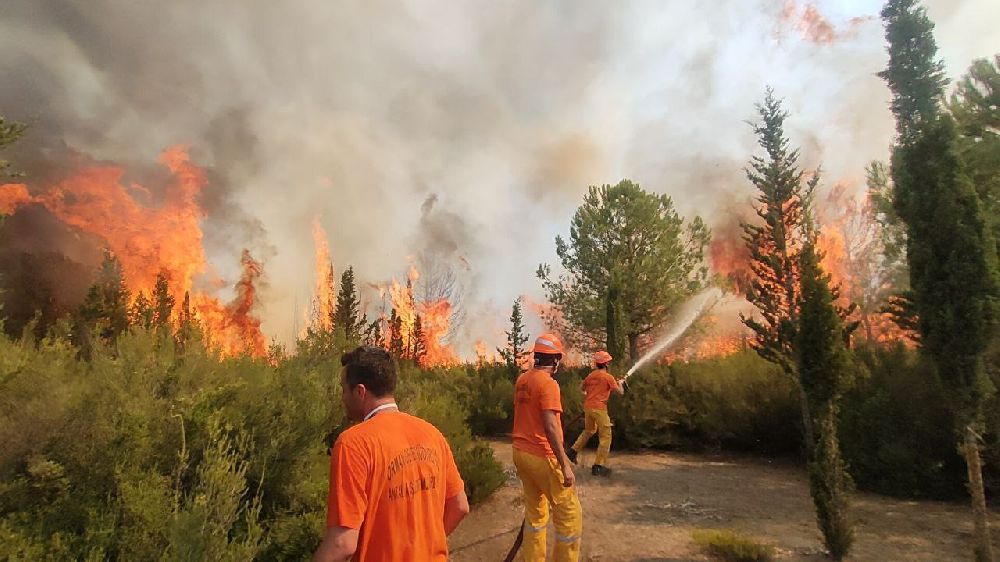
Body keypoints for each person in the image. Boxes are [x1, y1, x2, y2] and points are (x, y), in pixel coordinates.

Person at [314, 346, 470, 562]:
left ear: (360, 392)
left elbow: (343, 543)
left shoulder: (354, 444)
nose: (342, 397)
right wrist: (423, 548)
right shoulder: (431, 433)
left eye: (343, 389)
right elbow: (460, 506)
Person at [512, 333, 583, 562]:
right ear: (555, 360)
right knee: (569, 515)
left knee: (535, 514)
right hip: (543, 455)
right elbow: (551, 427)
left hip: (520, 453)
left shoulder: (522, 380)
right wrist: (565, 465)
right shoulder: (549, 384)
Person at [566, 351, 623, 477]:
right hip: (599, 409)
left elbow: (581, 389)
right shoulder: (608, 377)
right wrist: (620, 384)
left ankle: (572, 451)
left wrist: (591, 395)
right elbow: (620, 393)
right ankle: (598, 466)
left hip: (588, 407)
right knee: (606, 436)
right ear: (606, 363)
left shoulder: (591, 376)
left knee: (589, 430)